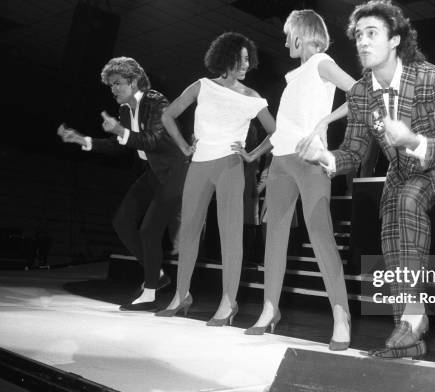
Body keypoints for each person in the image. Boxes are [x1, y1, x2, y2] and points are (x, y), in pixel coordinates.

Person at [297, 0, 435, 358]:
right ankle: (409, 336)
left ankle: (412, 319)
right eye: (359, 35)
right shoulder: (361, 94)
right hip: (403, 170)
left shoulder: (431, 78)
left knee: (407, 200)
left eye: (372, 33)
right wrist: (325, 157)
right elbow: (355, 152)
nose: (362, 41)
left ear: (395, 40)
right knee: (391, 230)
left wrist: (410, 140)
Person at [234, 10, 356, 351]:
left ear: (302, 34)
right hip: (280, 164)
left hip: (310, 161)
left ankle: (341, 315)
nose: (286, 40)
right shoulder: (294, 77)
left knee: (320, 235)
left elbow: (360, 91)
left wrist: (323, 123)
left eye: (289, 34)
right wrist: (254, 155)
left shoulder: (321, 62)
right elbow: (281, 130)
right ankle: (269, 309)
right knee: (274, 237)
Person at [158, 32, 275, 323]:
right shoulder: (203, 86)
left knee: (230, 234)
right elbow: (167, 116)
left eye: (249, 59)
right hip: (198, 164)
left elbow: (277, 131)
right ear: (226, 58)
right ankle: (181, 294)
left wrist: (251, 155)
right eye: (242, 59)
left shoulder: (252, 98)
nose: (247, 64)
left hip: (230, 166)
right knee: (188, 232)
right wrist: (185, 147)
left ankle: (228, 302)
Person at [57, 57, 189, 311]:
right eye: (110, 86)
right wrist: (82, 139)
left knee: (149, 230)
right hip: (155, 171)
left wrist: (120, 132)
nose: (113, 89)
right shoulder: (125, 111)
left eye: (118, 83)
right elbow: (120, 147)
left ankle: (150, 292)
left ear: (134, 81)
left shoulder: (156, 101)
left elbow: (155, 140)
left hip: (176, 170)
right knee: (122, 221)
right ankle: (157, 274)